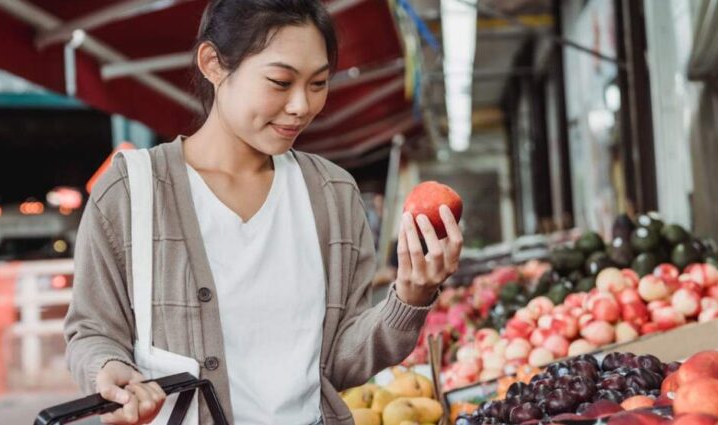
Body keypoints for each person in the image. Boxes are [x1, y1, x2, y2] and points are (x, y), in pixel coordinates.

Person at [63, 0, 463, 424]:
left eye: (318, 83)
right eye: (279, 81)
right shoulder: (130, 191)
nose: (301, 106)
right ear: (213, 63)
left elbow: (339, 364)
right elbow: (91, 331)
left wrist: (411, 296)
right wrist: (107, 369)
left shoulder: (333, 195)